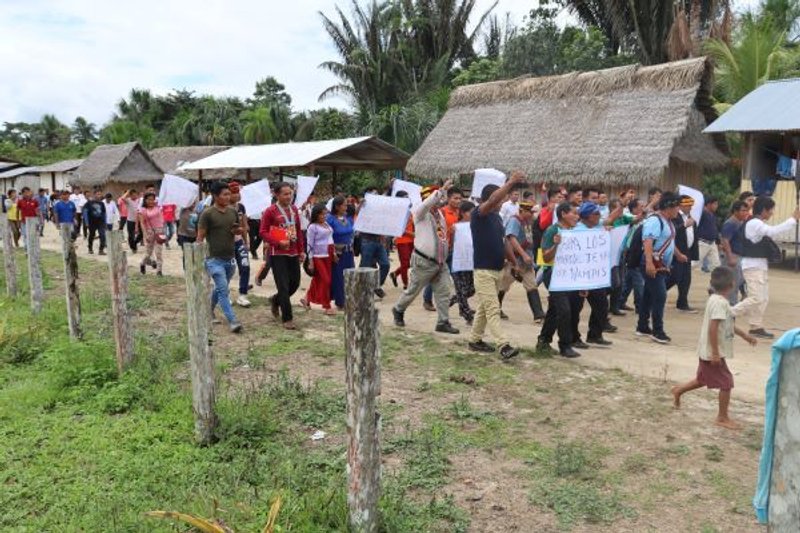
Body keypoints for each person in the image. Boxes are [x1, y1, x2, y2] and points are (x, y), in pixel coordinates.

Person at [671, 266, 757, 430]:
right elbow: (713, 328)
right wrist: (716, 353)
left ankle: (678, 390)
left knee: (702, 379)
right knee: (726, 382)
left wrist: (744, 335)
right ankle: (722, 417)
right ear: (732, 285)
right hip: (713, 352)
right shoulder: (719, 303)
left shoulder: (716, 300)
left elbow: (727, 324)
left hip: (708, 350)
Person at [467, 172, 526, 360]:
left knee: (485, 308)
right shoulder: (479, 214)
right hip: (483, 270)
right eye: (501, 197)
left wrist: (514, 263)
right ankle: (503, 345)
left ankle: (475, 340)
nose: (503, 201)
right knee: (493, 309)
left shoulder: (498, 218)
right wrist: (511, 182)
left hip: (497, 269)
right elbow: (493, 200)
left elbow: (505, 243)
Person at [392, 183, 460, 335]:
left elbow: (441, 235)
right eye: (437, 198)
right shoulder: (420, 213)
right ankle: (398, 309)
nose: (440, 200)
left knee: (443, 292)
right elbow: (427, 204)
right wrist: (440, 190)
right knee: (413, 290)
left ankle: (443, 322)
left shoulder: (439, 215)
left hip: (440, 261)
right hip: (424, 261)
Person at [732, 197, 800, 339]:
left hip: (758, 265)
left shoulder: (756, 222)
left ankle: (755, 326)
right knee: (756, 298)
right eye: (771, 210)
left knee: (763, 298)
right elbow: (773, 231)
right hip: (752, 267)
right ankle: (727, 313)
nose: (772, 213)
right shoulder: (755, 223)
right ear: (764, 210)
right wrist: (793, 219)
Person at [637, 192, 685, 344]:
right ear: (668, 207)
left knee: (648, 295)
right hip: (653, 263)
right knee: (660, 295)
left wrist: (678, 254)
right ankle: (658, 330)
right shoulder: (655, 221)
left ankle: (642, 326)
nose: (678, 209)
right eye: (677, 206)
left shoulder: (668, 221)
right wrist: (650, 263)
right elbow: (648, 242)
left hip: (661, 263)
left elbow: (669, 241)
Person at [536, 202, 582, 358]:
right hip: (554, 276)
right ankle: (565, 345)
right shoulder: (552, 230)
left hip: (568, 276)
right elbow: (546, 257)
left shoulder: (574, 232)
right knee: (564, 310)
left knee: (554, 310)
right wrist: (556, 245)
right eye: (574, 213)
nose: (577, 217)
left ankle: (543, 341)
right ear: (563, 214)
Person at [196, 182, 242, 333]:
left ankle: (209, 310)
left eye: (229, 194)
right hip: (214, 259)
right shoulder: (207, 214)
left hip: (230, 258)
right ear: (215, 196)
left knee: (220, 288)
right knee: (223, 291)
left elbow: (235, 229)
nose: (228, 197)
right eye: (225, 194)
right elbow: (200, 237)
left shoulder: (232, 212)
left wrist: (238, 231)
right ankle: (233, 320)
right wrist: (198, 259)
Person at [260, 182, 305, 330]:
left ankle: (275, 299)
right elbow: (263, 232)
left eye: (290, 193)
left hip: (292, 252)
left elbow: (298, 231)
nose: (288, 196)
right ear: (276, 195)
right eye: (285, 194)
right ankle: (287, 318)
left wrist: (301, 250)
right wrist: (278, 242)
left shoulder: (294, 210)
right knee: (283, 285)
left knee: (295, 283)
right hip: (277, 253)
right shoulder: (270, 211)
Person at [573, 201, 616, 346]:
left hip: (595, 275)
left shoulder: (596, 227)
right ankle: (574, 338)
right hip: (581, 275)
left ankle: (595, 335)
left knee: (602, 304)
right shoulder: (578, 230)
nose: (599, 216)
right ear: (587, 216)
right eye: (596, 214)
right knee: (576, 308)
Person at [498, 200, 546, 323]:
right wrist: (523, 254)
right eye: (529, 212)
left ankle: (538, 315)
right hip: (515, 259)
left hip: (527, 260)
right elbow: (511, 238)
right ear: (521, 211)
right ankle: (495, 309)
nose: (531, 214)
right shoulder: (515, 221)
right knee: (503, 285)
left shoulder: (527, 221)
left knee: (532, 285)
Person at [421, 186, 463, 311]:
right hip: (441, 251)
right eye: (455, 198)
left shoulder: (459, 213)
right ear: (448, 199)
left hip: (454, 250)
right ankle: (427, 300)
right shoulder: (442, 212)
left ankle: (462, 305)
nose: (458, 201)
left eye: (460, 198)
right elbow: (436, 230)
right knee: (435, 275)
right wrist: (450, 230)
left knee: (457, 277)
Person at [301, 204, 337, 315]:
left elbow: (330, 238)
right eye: (322, 214)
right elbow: (309, 245)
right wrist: (311, 261)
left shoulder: (326, 224)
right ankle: (326, 306)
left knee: (319, 279)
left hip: (329, 254)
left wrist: (334, 252)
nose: (324, 216)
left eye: (325, 213)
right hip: (318, 256)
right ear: (316, 215)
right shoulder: (312, 227)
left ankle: (307, 298)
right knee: (326, 280)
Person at [666, 195, 699, 313]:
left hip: (687, 252)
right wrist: (684, 225)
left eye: (691, 205)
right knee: (674, 277)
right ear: (680, 205)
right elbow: (672, 231)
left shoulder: (690, 217)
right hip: (676, 251)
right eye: (688, 205)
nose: (690, 207)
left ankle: (682, 303)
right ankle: (654, 294)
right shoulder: (675, 216)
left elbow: (693, 237)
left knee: (686, 279)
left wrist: (694, 254)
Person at [358, 189, 390, 299]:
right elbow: (355, 214)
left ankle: (375, 286)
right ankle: (362, 290)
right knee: (365, 267)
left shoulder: (381, 210)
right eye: (373, 194)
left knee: (385, 264)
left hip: (378, 241)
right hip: (367, 241)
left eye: (377, 194)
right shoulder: (364, 207)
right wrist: (360, 205)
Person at [449, 200, 476, 324]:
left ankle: (455, 299)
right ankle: (467, 314)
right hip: (459, 261)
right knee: (461, 287)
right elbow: (452, 244)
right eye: (471, 212)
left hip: (471, 262)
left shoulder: (476, 226)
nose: (473, 214)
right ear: (464, 213)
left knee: (471, 289)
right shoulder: (456, 227)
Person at [719, 200, 751, 305]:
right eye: (743, 210)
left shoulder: (739, 222)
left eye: (747, 210)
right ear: (735, 211)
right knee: (733, 281)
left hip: (738, 256)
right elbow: (725, 240)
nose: (746, 213)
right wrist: (730, 257)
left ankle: (716, 290)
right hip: (732, 256)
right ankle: (731, 304)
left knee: (739, 279)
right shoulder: (731, 223)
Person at [617, 199, 646, 313]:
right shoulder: (628, 218)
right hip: (631, 253)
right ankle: (640, 307)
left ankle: (620, 302)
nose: (643, 208)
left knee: (629, 280)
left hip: (636, 252)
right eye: (641, 206)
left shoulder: (644, 220)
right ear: (634, 209)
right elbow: (636, 220)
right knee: (639, 282)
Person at [327, 195, 355, 309]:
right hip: (338, 253)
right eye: (344, 204)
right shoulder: (330, 219)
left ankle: (348, 299)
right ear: (337, 206)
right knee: (338, 277)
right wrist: (332, 252)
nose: (346, 207)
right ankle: (340, 302)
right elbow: (327, 237)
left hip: (349, 252)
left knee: (350, 276)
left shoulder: (348, 219)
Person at [228, 182, 252, 308]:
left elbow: (244, 225)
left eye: (238, 192)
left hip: (239, 242)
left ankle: (243, 295)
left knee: (245, 266)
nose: (236, 195)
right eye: (234, 192)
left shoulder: (241, 207)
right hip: (226, 244)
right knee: (228, 270)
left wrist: (246, 242)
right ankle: (225, 294)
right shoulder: (224, 208)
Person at [390, 191, 414, 290]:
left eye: (408, 197)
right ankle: (406, 284)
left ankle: (395, 273)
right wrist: (410, 233)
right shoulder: (396, 212)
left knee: (411, 263)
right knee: (405, 263)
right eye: (405, 197)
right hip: (402, 240)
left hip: (411, 239)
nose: (407, 199)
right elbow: (398, 228)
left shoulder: (409, 211)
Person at [137, 192, 165, 276]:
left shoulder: (158, 207)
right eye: (149, 199)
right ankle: (142, 263)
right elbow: (142, 223)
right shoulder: (143, 210)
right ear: (145, 200)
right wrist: (145, 234)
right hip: (149, 232)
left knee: (159, 252)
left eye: (153, 199)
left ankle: (159, 271)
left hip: (159, 231)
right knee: (148, 253)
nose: (151, 201)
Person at [696, 195, 721, 272]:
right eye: (715, 204)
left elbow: (714, 229)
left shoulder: (712, 215)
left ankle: (716, 283)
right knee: (694, 264)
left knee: (716, 265)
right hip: (702, 242)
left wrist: (718, 241)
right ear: (709, 204)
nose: (717, 206)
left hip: (712, 244)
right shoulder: (702, 214)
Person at [83, 189, 107, 255]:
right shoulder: (89, 203)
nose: (99, 195)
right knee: (92, 235)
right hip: (92, 222)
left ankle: (101, 250)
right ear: (94, 195)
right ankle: (90, 248)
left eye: (100, 194)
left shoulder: (102, 203)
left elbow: (104, 213)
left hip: (100, 222)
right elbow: (85, 212)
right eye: (98, 194)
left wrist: (105, 222)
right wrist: (86, 223)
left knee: (102, 235)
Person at [176, 201, 198, 270]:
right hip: (184, 235)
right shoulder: (183, 209)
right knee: (186, 253)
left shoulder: (196, 211)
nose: (193, 205)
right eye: (191, 203)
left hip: (194, 236)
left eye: (194, 203)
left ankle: (192, 268)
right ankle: (186, 270)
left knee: (194, 254)